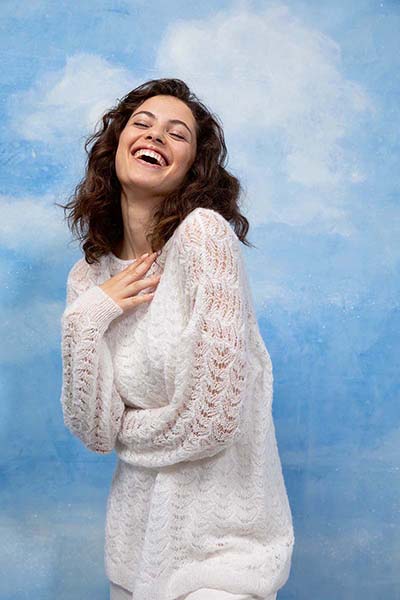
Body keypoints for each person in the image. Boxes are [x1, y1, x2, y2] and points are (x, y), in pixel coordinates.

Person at [58, 78, 295, 600]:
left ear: (193, 166)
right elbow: (95, 433)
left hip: (221, 556)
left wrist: (126, 430)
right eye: (142, 124)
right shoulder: (89, 278)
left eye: (177, 133)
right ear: (116, 145)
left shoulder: (204, 237)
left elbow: (213, 421)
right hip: (134, 554)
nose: (155, 136)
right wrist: (86, 320)